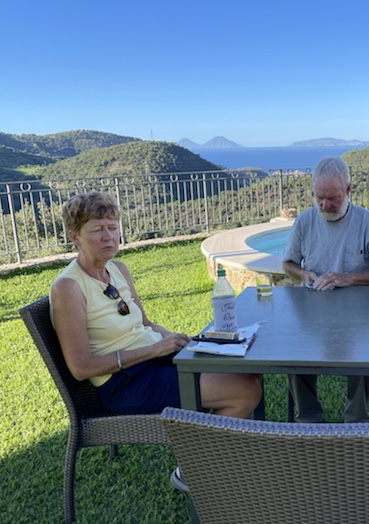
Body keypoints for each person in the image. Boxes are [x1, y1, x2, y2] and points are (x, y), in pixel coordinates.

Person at [49, 191, 262, 487]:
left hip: (154, 359)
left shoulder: (117, 269)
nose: (109, 237)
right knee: (244, 391)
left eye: (113, 227)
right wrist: (155, 349)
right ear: (75, 236)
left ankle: (215, 457)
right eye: (97, 230)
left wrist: (176, 340)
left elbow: (145, 323)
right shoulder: (68, 288)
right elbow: (81, 367)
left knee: (245, 368)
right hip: (125, 383)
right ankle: (194, 472)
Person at [282, 157, 369, 423]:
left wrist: (348, 279)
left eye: (333, 198)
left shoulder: (368, 222)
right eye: (319, 198)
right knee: (294, 353)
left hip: (360, 315)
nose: (325, 205)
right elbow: (288, 263)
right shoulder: (304, 221)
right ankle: (309, 419)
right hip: (313, 313)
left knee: (365, 352)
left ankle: (355, 420)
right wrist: (303, 273)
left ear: (348, 190)